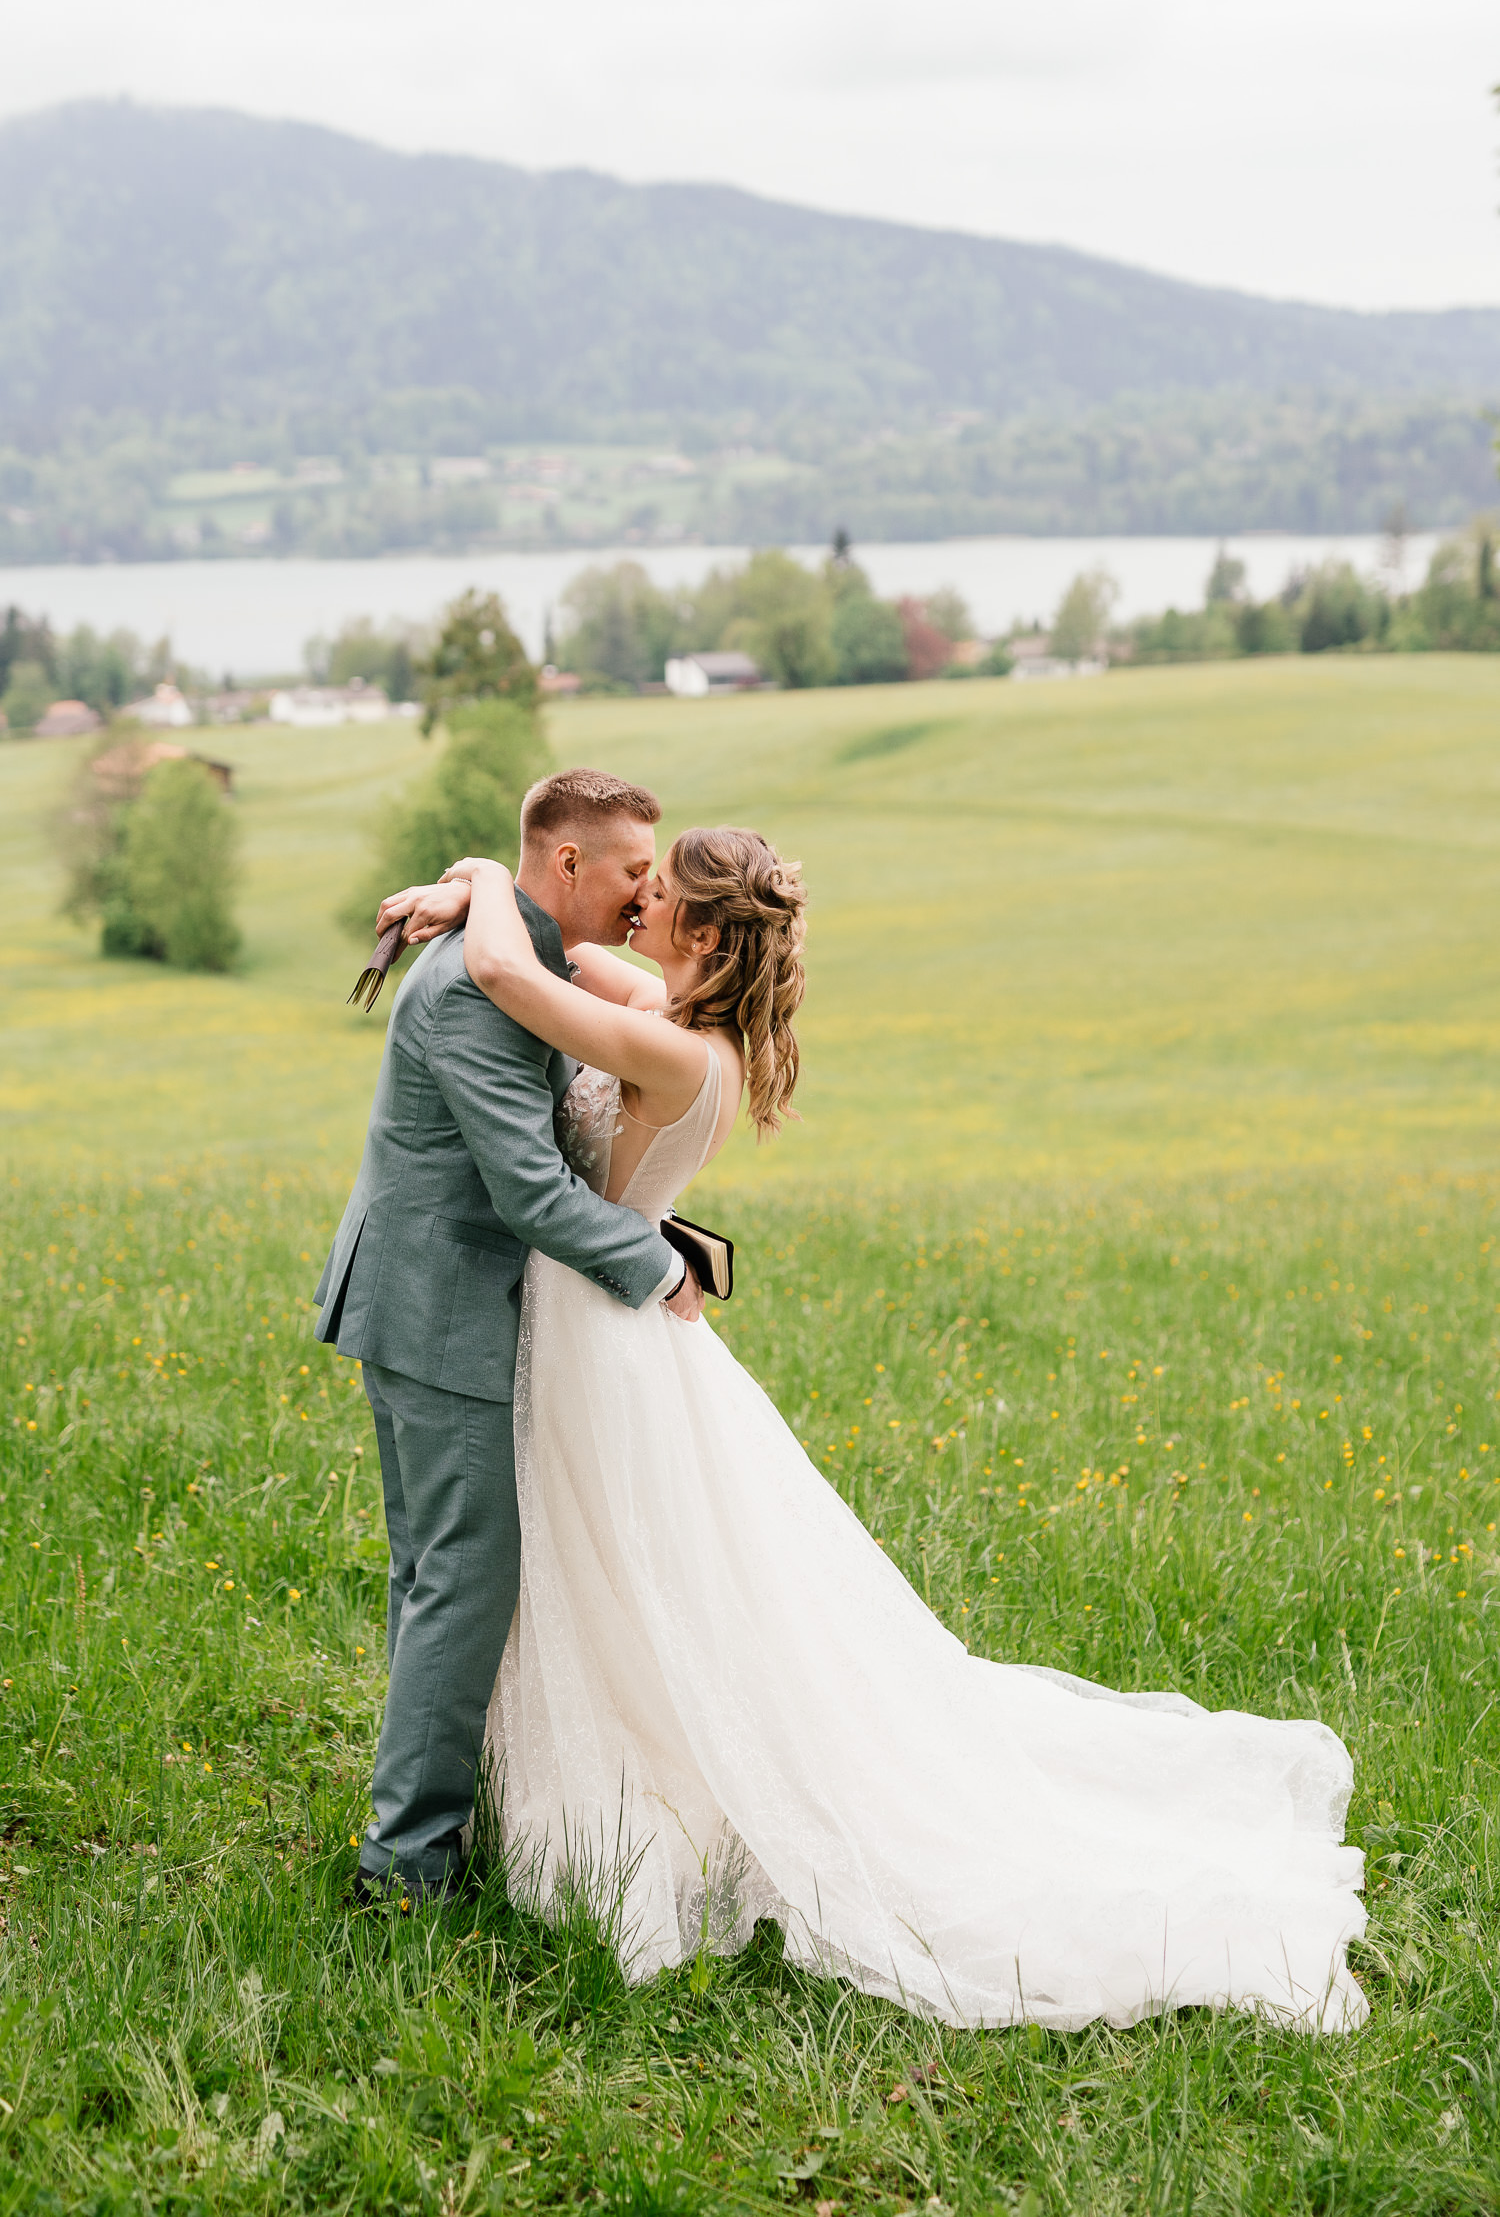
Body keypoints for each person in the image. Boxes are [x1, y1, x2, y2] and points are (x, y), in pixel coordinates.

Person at [380, 820, 1369, 2034]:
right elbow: (561, 963)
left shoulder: (666, 1048)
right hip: (604, 1332)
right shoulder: (680, 1025)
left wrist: (475, 878)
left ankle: (628, 1800)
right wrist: (482, 881)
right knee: (625, 1580)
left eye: (655, 894)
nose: (633, 906)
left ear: (698, 928)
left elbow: (507, 975)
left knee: (625, 1575)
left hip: (600, 1327)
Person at [313, 769, 704, 1904]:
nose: (645, 891)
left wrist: (478, 872)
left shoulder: (523, 958)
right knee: (464, 1579)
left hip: (428, 1296)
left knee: (438, 1571)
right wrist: (655, 1261)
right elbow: (530, 1191)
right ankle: (407, 1867)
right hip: (440, 1308)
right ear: (570, 865)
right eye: (636, 868)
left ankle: (435, 1809)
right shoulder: (480, 991)